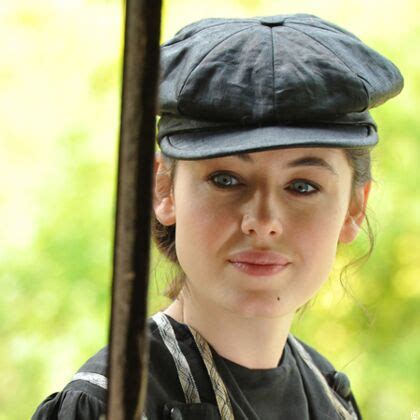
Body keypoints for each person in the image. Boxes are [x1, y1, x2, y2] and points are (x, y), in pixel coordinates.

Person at [33, 13, 403, 420]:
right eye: (226, 179)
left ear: (354, 207)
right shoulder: (113, 405)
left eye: (302, 186)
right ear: (163, 189)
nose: (262, 221)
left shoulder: (331, 399)